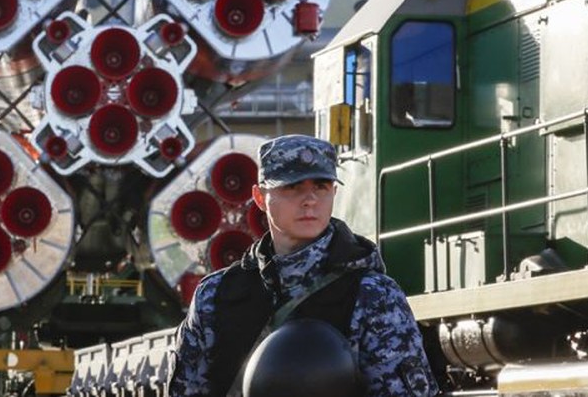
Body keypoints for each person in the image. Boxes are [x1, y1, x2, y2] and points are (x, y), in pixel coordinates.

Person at [168, 134, 438, 396]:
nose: (309, 200)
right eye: (292, 187)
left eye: (321, 187)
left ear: (333, 193)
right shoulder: (215, 297)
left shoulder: (372, 296)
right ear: (260, 197)